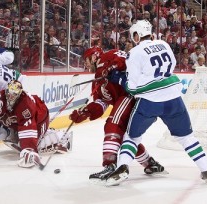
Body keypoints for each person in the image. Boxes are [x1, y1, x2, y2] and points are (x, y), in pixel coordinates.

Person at [105, 20, 207, 186]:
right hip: (174, 99)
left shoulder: (135, 52)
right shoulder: (164, 44)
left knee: (132, 137)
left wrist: (119, 79)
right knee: (186, 138)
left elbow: (133, 88)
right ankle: (206, 170)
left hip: (150, 102)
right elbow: (171, 66)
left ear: (137, 35)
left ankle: (122, 167)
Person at [69, 46, 165, 183]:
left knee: (113, 124)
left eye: (87, 60)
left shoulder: (109, 54)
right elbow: (101, 103)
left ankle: (110, 165)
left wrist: (112, 67)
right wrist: (86, 112)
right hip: (125, 99)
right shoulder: (97, 80)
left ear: (94, 56)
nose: (86, 64)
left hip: (131, 94)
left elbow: (127, 59)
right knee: (123, 136)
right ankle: (150, 163)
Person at [0, 80, 72, 168]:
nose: (10, 96)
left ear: (19, 94)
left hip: (39, 119)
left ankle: (62, 138)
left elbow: (27, 126)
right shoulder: (1, 96)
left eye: (14, 94)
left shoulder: (26, 104)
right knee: (4, 134)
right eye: (9, 92)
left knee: (36, 146)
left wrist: (29, 149)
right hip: (16, 121)